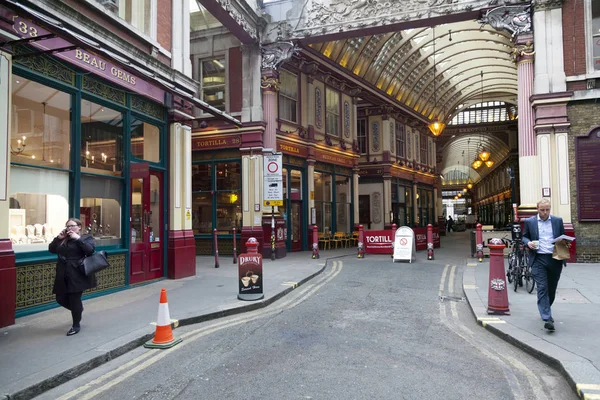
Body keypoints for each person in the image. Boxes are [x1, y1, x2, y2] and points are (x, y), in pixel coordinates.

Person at [522, 199, 566, 332]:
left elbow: (562, 237)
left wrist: (565, 244)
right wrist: (528, 243)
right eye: (542, 210)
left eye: (547, 209)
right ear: (537, 209)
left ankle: (545, 308)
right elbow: (524, 237)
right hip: (538, 258)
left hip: (555, 258)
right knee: (542, 288)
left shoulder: (557, 220)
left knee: (551, 289)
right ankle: (547, 318)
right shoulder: (530, 222)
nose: (545, 212)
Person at [49, 218, 97, 336]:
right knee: (60, 298)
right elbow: (51, 249)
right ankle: (78, 311)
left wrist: (78, 239)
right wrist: (58, 238)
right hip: (62, 272)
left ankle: (76, 325)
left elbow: (90, 251)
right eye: (67, 226)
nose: (69, 228)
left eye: (72, 226)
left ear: (79, 227)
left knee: (74, 299)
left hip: (77, 273)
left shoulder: (85, 238)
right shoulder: (63, 239)